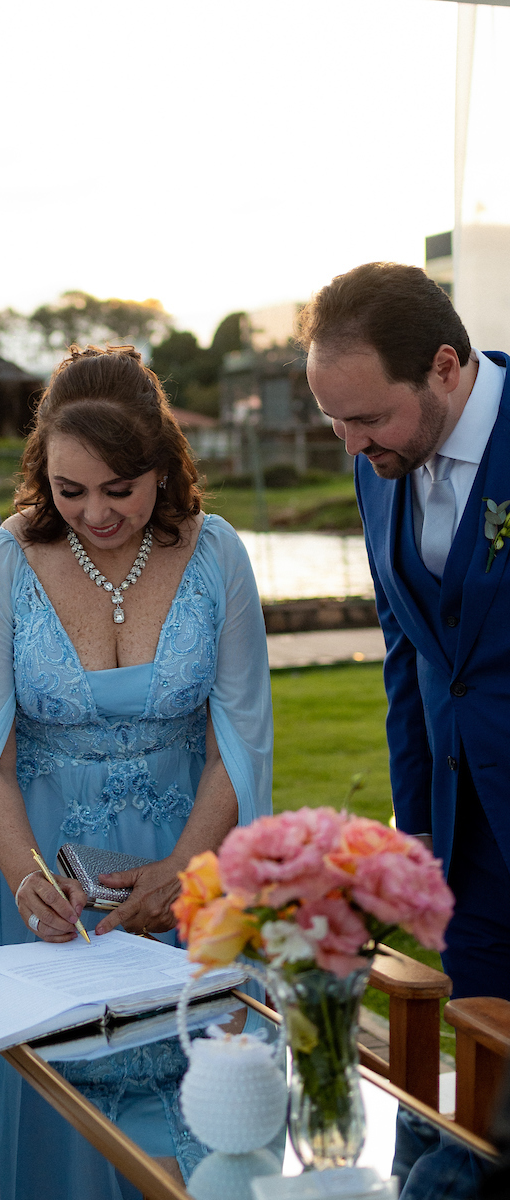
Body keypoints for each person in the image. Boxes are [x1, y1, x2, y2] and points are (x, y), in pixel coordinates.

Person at [0, 344, 273, 1200]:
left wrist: (182, 873)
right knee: (59, 1103)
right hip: (48, 874)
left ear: (162, 466)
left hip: (191, 850)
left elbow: (240, 735)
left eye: (118, 489)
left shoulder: (217, 554)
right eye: (68, 490)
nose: (94, 514)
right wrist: (25, 877)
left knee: (199, 1108)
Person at [298, 263, 510, 1199]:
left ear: (445, 367)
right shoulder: (375, 467)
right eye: (333, 421)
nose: (349, 443)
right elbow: (408, 654)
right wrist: (417, 823)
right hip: (471, 841)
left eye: (367, 419)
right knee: (479, 1081)